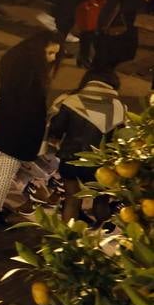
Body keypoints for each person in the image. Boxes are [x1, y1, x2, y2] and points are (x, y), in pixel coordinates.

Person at [0, 31, 61, 228]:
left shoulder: (16, 68)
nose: (53, 58)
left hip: (6, 127)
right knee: (5, 173)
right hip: (16, 133)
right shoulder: (29, 77)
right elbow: (30, 110)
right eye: (50, 53)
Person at [47, 70, 127, 222]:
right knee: (101, 200)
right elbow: (120, 137)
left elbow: (56, 129)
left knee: (72, 199)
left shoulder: (71, 101)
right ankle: (100, 232)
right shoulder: (118, 106)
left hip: (71, 159)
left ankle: (67, 240)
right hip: (100, 164)